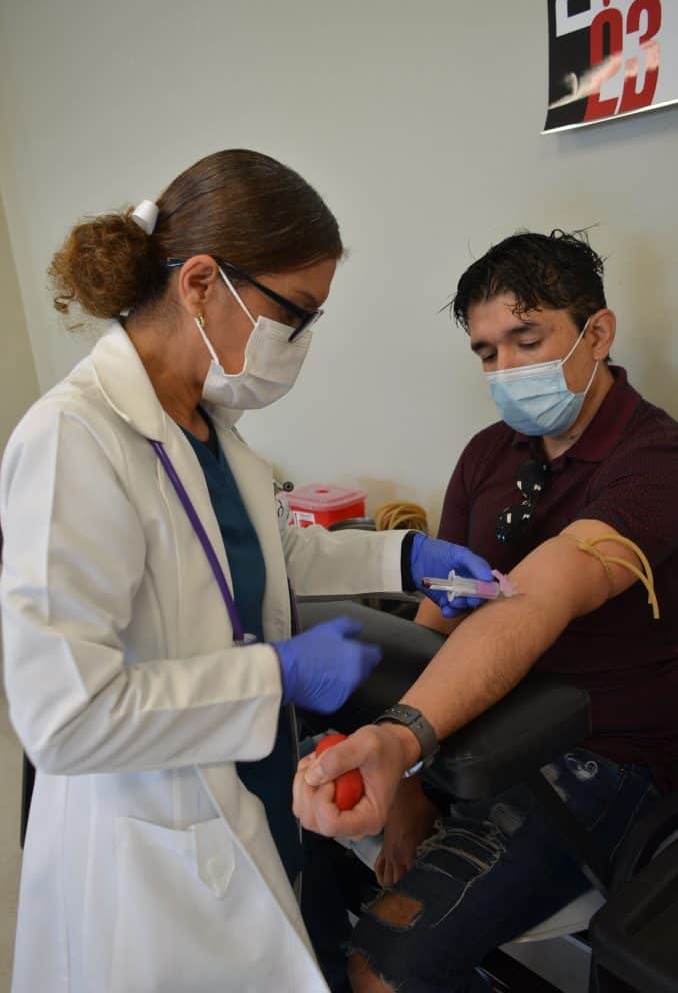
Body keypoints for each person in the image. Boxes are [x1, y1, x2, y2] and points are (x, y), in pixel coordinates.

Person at [0, 149, 492, 993]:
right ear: (200, 283)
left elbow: (270, 545)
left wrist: (403, 555)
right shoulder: (73, 438)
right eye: (295, 313)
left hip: (251, 800)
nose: (300, 341)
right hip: (150, 853)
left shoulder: (206, 421)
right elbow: (64, 718)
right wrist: (277, 674)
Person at [293, 231, 678, 993]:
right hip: (471, 727)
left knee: (380, 970)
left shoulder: (655, 462)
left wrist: (404, 744)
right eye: (486, 353)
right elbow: (444, 618)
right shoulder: (488, 456)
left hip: (602, 757)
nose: (506, 371)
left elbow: (538, 593)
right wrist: (406, 776)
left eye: (526, 341)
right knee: (294, 866)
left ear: (596, 333)